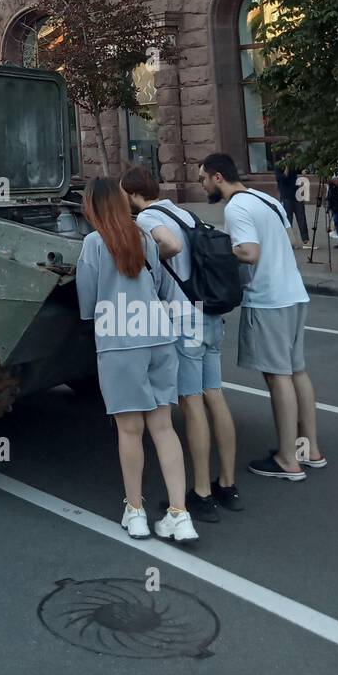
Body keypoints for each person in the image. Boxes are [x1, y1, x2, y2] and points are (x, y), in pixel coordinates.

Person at [76, 177, 197, 543]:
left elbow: (87, 302)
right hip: (159, 336)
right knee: (163, 427)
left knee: (130, 431)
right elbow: (160, 283)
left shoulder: (94, 244)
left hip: (119, 341)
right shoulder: (144, 238)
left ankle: (136, 511)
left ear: (93, 208)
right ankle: (180, 514)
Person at [121, 166, 241, 520]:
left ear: (130, 194)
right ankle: (227, 483)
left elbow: (170, 246)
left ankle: (201, 492)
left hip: (183, 317)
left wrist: (148, 263)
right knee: (214, 394)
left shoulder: (145, 219)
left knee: (190, 402)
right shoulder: (181, 210)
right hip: (208, 311)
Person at [199, 155, 322, 479]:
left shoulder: (237, 207)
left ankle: (287, 460)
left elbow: (249, 252)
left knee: (277, 376)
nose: (203, 186)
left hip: (268, 299)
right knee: (297, 371)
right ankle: (309, 449)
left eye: (204, 179)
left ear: (217, 177)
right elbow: (286, 239)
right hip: (294, 292)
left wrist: (217, 247)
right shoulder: (267, 199)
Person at [274, 162, 309, 246]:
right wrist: (287, 166)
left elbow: (303, 168)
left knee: (302, 218)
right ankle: (289, 241)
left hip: (297, 194)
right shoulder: (278, 167)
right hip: (286, 196)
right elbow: (283, 178)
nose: (290, 159)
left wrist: (305, 171)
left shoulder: (294, 164)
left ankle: (306, 240)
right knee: (288, 219)